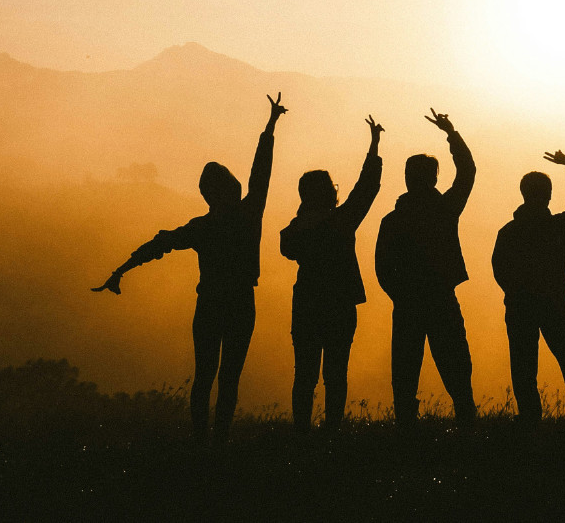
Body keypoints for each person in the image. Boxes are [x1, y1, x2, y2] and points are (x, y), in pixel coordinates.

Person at [92, 93, 286, 445]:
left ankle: (202, 442)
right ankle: (218, 442)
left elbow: (159, 244)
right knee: (227, 379)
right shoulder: (248, 215)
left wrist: (121, 269)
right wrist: (270, 127)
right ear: (230, 188)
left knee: (206, 376)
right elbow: (262, 173)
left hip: (211, 304)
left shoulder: (203, 227)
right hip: (240, 303)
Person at [279, 115, 384, 432]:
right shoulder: (341, 221)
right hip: (340, 306)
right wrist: (374, 146)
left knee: (305, 374)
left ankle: (302, 431)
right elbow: (367, 188)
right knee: (336, 373)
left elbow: (287, 248)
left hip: (307, 304)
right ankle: (332, 430)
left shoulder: (295, 229)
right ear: (329, 193)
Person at [375, 109, 477, 428]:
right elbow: (468, 171)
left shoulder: (394, 220)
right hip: (440, 298)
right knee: (456, 366)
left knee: (405, 370)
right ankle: (466, 422)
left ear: (407, 178)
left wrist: (399, 294)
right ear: (433, 178)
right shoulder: (444, 210)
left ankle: (406, 428)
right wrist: (451, 132)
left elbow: (382, 267)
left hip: (407, 303)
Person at [491, 150, 565, 427]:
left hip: (519, 307)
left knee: (523, 367)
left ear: (523, 194)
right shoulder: (559, 229)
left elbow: (499, 270)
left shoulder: (508, 232)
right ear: (549, 195)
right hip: (555, 305)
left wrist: (517, 292)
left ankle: (529, 419)